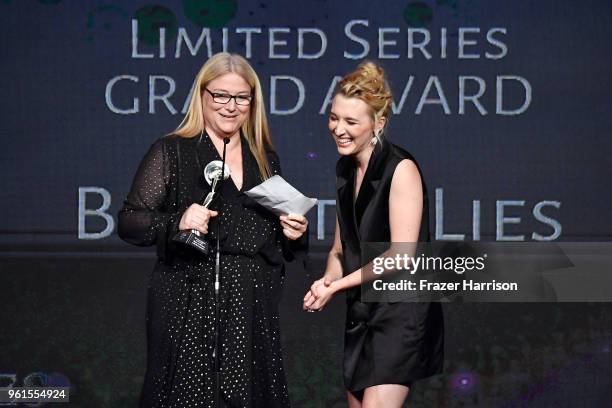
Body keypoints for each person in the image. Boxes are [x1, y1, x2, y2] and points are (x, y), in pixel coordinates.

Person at [118, 52, 308, 408]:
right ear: (202, 95)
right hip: (187, 299)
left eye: (241, 97)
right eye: (220, 95)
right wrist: (177, 220)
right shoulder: (172, 151)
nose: (230, 106)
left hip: (250, 306)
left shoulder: (265, 159)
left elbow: (269, 238)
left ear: (253, 102)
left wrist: (292, 232)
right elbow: (129, 221)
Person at [303, 61, 443, 407]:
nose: (338, 129)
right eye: (334, 118)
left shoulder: (401, 168)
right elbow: (340, 248)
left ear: (379, 123)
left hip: (399, 315)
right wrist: (326, 281)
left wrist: (338, 286)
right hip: (362, 314)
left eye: (351, 121)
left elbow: (401, 255)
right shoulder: (345, 168)